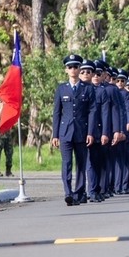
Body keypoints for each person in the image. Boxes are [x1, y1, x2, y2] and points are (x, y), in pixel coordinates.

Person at [51, 54, 94, 206]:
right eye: (70, 67)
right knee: (66, 163)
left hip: (82, 131)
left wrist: (90, 132)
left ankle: (79, 193)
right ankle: (68, 193)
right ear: (66, 70)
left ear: (79, 69)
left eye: (76, 67)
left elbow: (92, 111)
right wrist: (55, 134)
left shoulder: (87, 88)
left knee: (81, 164)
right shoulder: (61, 89)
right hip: (65, 132)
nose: (73, 70)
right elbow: (57, 113)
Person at [0, 101, 15, 177]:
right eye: (3, 102)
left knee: (9, 154)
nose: (4, 103)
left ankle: (8, 171)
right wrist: (1, 108)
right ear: (0, 102)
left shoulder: (8, 111)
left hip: (7, 136)